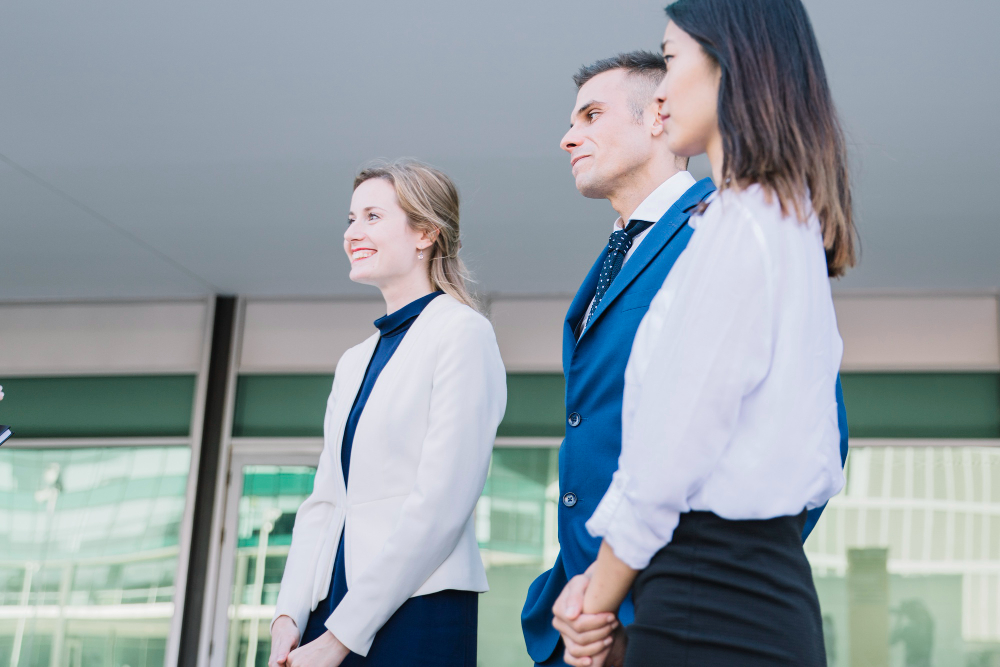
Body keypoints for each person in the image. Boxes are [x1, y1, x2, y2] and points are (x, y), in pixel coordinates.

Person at [522, 50, 849, 667]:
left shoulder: (723, 233)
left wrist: (659, 594)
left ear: (657, 117)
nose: (569, 137)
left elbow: (812, 444)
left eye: (592, 115)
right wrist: (577, 594)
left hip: (686, 611)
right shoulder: (616, 259)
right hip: (586, 622)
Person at [268, 159, 507, 667]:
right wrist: (286, 617)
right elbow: (325, 499)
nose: (353, 232)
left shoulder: (462, 333)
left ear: (425, 232)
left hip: (415, 608)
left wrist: (341, 637)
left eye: (373, 217)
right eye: (351, 219)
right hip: (328, 608)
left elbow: (442, 503)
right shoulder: (354, 360)